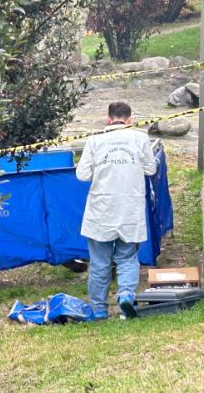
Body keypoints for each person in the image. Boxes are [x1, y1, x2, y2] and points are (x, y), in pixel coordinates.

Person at [75, 102, 157, 320]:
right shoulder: (140, 139)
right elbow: (151, 168)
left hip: (101, 210)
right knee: (128, 257)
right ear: (129, 120)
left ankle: (99, 308)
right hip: (130, 209)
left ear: (108, 119)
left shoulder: (94, 141)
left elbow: (82, 175)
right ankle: (126, 297)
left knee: (100, 262)